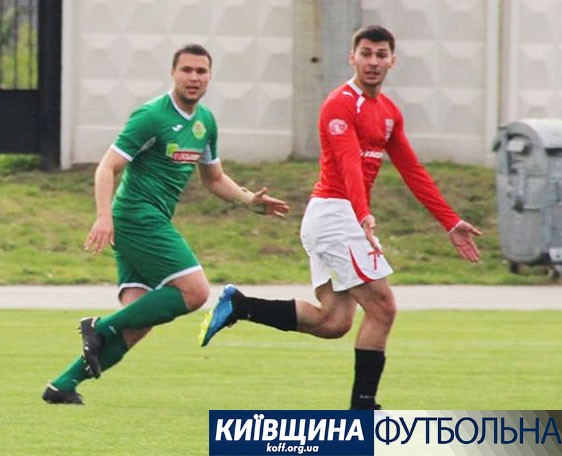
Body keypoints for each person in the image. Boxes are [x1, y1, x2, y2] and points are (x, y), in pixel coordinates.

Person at [198, 25, 482, 410]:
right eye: (366, 53)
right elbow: (348, 164)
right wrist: (363, 214)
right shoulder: (340, 103)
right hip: (336, 214)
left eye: (381, 54)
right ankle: (363, 409)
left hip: (340, 217)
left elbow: (412, 170)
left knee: (332, 323)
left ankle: (239, 305)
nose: (373, 61)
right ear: (352, 57)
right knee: (383, 308)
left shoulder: (388, 112)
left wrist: (450, 221)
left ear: (392, 61)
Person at [42, 43, 289, 405]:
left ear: (210, 76)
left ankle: (63, 385)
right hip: (137, 217)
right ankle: (99, 326)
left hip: (147, 219)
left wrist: (248, 200)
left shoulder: (205, 123)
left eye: (201, 71)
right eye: (186, 70)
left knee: (138, 321)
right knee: (196, 292)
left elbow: (214, 178)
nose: (193, 77)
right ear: (172, 73)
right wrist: (103, 216)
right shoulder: (152, 116)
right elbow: (107, 167)